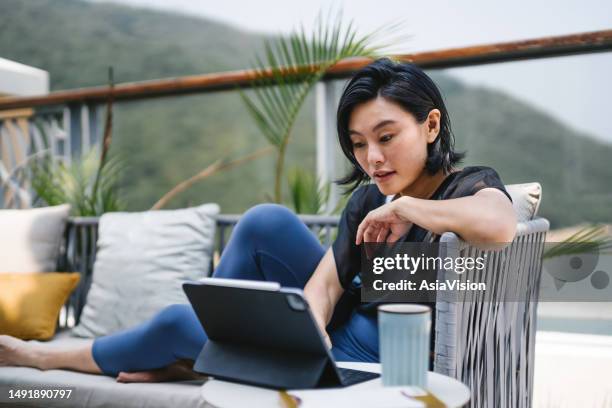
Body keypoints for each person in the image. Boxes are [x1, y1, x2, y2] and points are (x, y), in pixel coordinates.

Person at [0, 58, 516, 383]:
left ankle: (40, 359)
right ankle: (214, 350)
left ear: (430, 125)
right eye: (358, 145)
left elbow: (500, 226)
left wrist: (406, 207)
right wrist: (306, 329)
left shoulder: (466, 186)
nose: (372, 159)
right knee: (265, 221)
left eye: (386, 137)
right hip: (340, 338)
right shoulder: (366, 201)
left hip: (389, 357)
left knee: (177, 323)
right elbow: (327, 286)